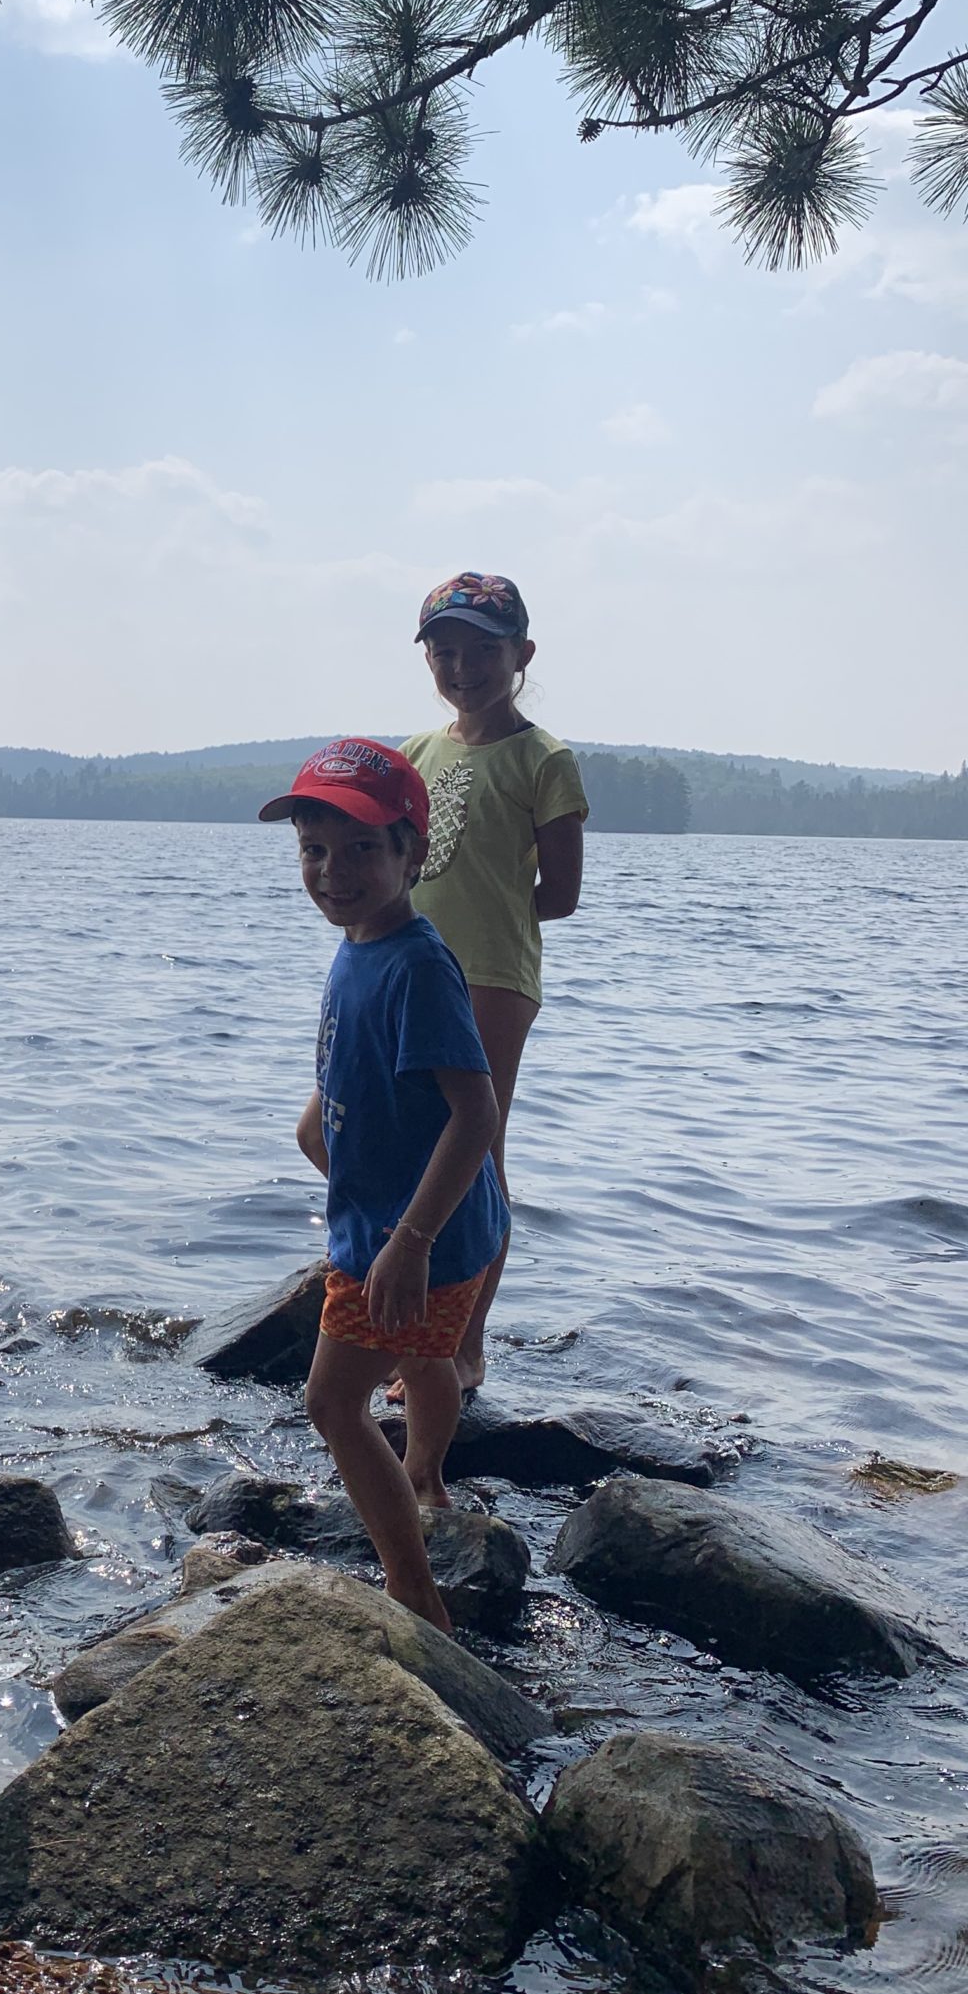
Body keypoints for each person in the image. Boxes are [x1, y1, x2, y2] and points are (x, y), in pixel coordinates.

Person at [260, 739, 509, 1632]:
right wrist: (319, 1126)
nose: (334, 872)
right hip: (424, 1230)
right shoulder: (362, 945)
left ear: (413, 853)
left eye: (362, 849)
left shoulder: (417, 965)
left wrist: (408, 1240)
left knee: (332, 1404)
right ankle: (427, 1477)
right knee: (425, 1351)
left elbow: (474, 1115)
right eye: (314, 850)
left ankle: (413, 1589)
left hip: (417, 1236)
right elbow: (368, 1068)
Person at [402, 573, 587, 1395]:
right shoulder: (416, 753)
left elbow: (561, 895)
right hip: (410, 971)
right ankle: (402, 1310)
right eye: (445, 651)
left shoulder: (542, 759)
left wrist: (487, 918)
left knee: (475, 1154)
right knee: (344, 1133)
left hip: (492, 978)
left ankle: (462, 1346)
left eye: (482, 650)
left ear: (522, 655)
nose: (462, 667)